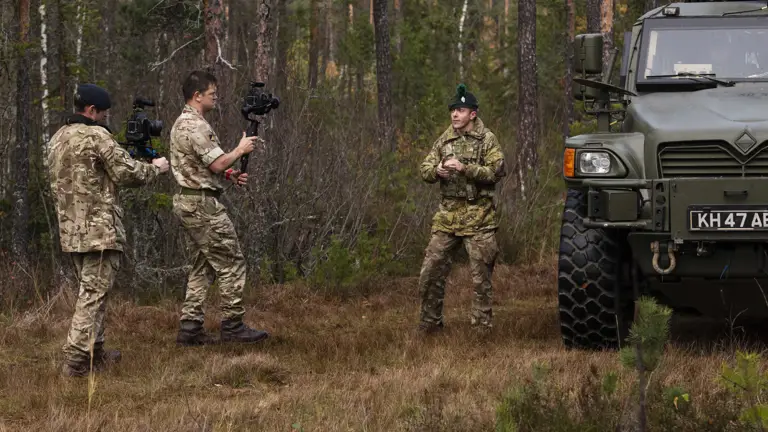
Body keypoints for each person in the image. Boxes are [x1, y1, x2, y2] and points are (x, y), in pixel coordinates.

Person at [47, 83, 170, 377]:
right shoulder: (96, 137)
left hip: (71, 231)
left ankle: (95, 353)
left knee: (93, 293)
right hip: (99, 232)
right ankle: (76, 361)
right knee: (92, 297)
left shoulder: (57, 138)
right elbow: (125, 173)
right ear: (91, 111)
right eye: (103, 113)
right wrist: (156, 168)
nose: (105, 118)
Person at [170, 70, 269, 345]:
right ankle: (233, 325)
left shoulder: (182, 123)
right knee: (232, 262)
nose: (216, 97)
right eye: (212, 93)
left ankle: (190, 328)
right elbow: (215, 163)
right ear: (197, 95)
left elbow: (197, 164)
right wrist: (240, 150)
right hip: (201, 205)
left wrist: (228, 175)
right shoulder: (195, 125)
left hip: (189, 200)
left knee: (203, 264)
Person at [417, 84, 506, 333]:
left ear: (473, 114)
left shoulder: (486, 139)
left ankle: (481, 331)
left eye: (460, 110)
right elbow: (424, 168)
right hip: (448, 216)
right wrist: (437, 171)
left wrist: (466, 168)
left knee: (480, 279)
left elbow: (496, 172)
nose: (455, 115)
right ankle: (429, 325)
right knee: (431, 271)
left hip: (478, 216)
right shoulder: (445, 139)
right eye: (453, 110)